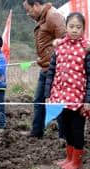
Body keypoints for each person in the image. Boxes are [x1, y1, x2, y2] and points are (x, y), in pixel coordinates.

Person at [43, 13, 90, 169]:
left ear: (83, 29)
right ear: (66, 27)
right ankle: (68, 157)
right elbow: (51, 71)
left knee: (76, 130)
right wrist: (48, 94)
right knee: (65, 128)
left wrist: (88, 100)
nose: (75, 30)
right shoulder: (59, 47)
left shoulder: (87, 49)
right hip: (59, 96)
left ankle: (76, 161)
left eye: (78, 27)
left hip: (78, 98)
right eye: (71, 26)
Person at [22, 0, 66, 139]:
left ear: (36, 5)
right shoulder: (43, 18)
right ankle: (36, 132)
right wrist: (43, 57)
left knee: (56, 102)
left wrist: (53, 60)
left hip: (55, 68)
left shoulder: (53, 16)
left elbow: (64, 42)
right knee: (39, 100)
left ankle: (64, 136)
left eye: (28, 10)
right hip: (45, 67)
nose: (28, 14)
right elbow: (47, 44)